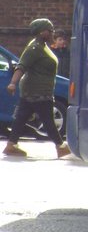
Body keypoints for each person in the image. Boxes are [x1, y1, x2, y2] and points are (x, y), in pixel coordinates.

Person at [4, 18, 70, 159]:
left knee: (21, 118)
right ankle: (60, 146)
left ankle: (11, 145)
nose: (53, 32)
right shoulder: (34, 48)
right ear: (42, 32)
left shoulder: (43, 47)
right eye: (50, 30)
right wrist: (12, 83)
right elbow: (21, 66)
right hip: (37, 92)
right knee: (48, 120)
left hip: (36, 91)